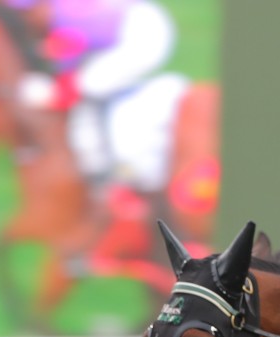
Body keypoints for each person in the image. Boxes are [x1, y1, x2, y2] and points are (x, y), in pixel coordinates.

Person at [11, 0, 181, 197]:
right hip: (137, 24)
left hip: (142, 36)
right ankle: (111, 171)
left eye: (27, 14)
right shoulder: (59, 14)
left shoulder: (64, 21)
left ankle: (124, 176)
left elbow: (66, 89)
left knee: (89, 85)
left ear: (42, 6)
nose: (26, 21)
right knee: (90, 90)